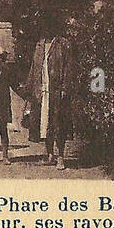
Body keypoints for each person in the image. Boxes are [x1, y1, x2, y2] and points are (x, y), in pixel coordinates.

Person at [24, 20, 74, 169]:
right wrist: (30, 90)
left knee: (59, 123)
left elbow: (69, 67)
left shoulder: (63, 44)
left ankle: (60, 157)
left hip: (57, 90)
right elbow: (34, 69)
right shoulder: (39, 45)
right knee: (45, 124)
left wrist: (66, 87)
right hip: (42, 91)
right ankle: (50, 154)